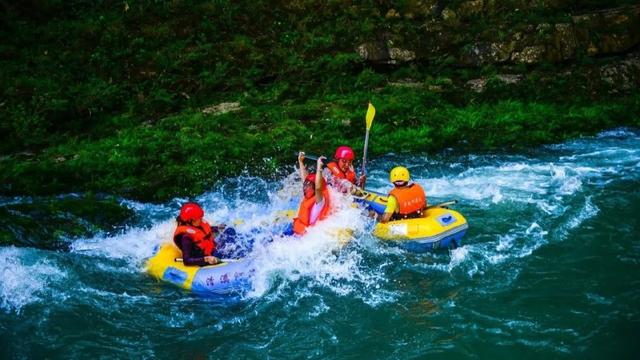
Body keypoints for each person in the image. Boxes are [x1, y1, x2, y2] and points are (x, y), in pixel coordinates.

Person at [291, 152, 332, 235]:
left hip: (303, 236)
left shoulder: (320, 201)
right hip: (296, 227)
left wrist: (319, 168)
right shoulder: (310, 194)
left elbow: (318, 187)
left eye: (308, 186)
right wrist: (300, 161)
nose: (305, 187)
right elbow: (304, 178)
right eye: (305, 185)